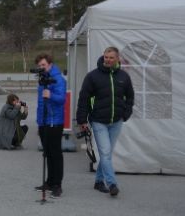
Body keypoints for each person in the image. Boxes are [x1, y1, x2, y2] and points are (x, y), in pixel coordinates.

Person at [76, 46, 134, 197]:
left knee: (106, 154)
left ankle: (98, 181)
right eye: (106, 57)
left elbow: (130, 97)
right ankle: (112, 183)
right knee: (106, 152)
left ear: (117, 59)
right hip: (99, 121)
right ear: (103, 57)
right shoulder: (92, 77)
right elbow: (84, 99)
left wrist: (125, 114)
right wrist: (82, 119)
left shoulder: (124, 77)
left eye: (111, 57)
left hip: (116, 121)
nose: (108, 60)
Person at [33, 53, 67, 197]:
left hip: (54, 121)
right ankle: (49, 181)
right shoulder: (42, 79)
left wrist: (51, 95)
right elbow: (41, 102)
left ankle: (57, 184)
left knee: (55, 153)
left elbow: (62, 99)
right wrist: (39, 121)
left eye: (43, 65)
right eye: (39, 65)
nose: (41, 68)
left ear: (50, 64)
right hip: (44, 121)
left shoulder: (58, 79)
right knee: (47, 153)